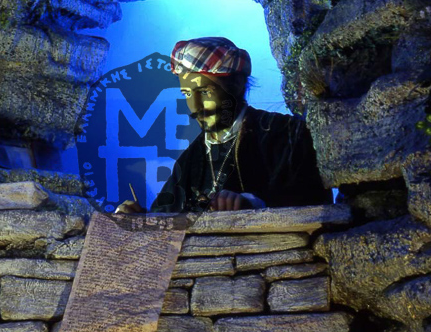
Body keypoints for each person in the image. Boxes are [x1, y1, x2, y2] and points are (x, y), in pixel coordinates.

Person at [115, 37, 331, 213]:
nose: (195, 106)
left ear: (237, 85)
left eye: (205, 92)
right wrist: (139, 218)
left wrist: (252, 205)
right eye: (187, 94)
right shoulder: (190, 158)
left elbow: (313, 202)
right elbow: (166, 216)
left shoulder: (287, 133)